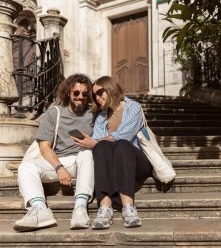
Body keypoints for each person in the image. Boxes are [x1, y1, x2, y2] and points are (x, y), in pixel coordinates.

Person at [14, 74, 95, 232]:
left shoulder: (94, 114)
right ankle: (40, 210)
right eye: (76, 93)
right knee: (26, 167)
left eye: (85, 94)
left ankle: (80, 208)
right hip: (61, 162)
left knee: (87, 153)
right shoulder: (55, 113)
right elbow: (45, 147)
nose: (81, 97)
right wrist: (59, 167)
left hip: (85, 163)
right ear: (68, 93)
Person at [73, 76, 152, 230]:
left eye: (100, 92)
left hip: (136, 163)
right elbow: (98, 142)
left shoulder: (132, 107)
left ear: (110, 89)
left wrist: (95, 142)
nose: (97, 97)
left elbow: (125, 135)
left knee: (121, 144)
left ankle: (128, 208)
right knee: (102, 147)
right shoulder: (101, 117)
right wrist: (93, 142)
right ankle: (105, 209)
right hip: (113, 164)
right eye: (94, 95)